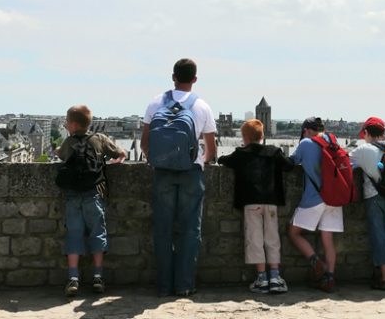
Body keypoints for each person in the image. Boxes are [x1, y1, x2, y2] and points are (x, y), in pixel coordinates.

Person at [141, 58, 217, 297]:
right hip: (191, 173)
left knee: (162, 228)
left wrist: (161, 160)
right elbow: (211, 151)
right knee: (190, 230)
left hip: (162, 173)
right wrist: (198, 162)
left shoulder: (155, 103)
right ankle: (184, 284)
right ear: (194, 79)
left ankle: (164, 285)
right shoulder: (202, 107)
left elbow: (145, 144)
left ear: (173, 77)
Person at [218, 119, 294, 294]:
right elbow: (289, 166)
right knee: (272, 238)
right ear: (262, 136)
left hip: (251, 201)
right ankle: (275, 277)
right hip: (271, 201)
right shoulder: (274, 152)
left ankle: (262, 278)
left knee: (255, 239)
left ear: (245, 137)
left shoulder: (241, 154)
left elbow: (224, 160)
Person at [57, 104, 126, 297]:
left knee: (74, 234)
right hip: (94, 194)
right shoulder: (100, 139)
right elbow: (121, 153)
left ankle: (73, 278)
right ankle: (97, 276)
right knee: (97, 233)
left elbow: (60, 155)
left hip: (73, 196)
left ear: (72, 125)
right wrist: (117, 160)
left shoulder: (69, 143)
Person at [287, 117, 344, 292]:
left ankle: (317, 263)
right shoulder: (333, 141)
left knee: (294, 233)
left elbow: (292, 162)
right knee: (328, 240)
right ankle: (330, 278)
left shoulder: (306, 143)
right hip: (334, 198)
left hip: (314, 197)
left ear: (306, 130)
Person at [349, 116, 385, 290]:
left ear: (367, 133)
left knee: (378, 236)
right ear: (383, 133)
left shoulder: (363, 150)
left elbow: (346, 164)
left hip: (374, 196)